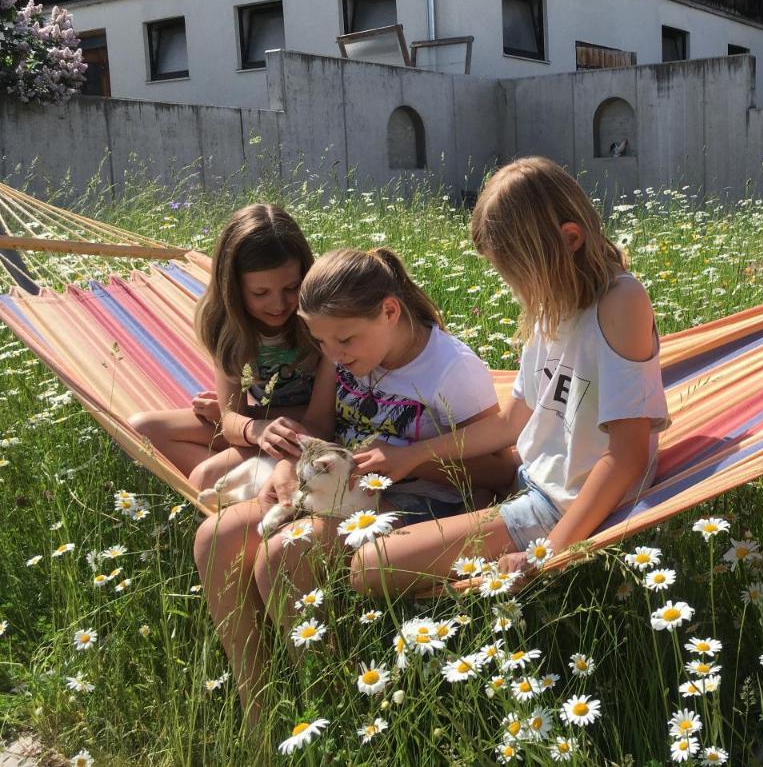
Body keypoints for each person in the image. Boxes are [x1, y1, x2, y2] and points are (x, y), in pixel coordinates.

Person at [193, 246, 507, 727]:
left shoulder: (451, 369)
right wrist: (287, 464)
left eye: (344, 341)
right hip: (343, 491)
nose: (334, 355)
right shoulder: (340, 355)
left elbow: (501, 474)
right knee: (216, 536)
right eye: (321, 343)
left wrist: (411, 461)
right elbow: (319, 424)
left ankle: (332, 716)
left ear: (389, 311)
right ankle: (256, 701)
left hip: (424, 507)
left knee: (283, 555)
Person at [345, 156, 670, 598]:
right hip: (528, 476)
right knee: (358, 533)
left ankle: (487, 566)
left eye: (516, 274)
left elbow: (626, 457)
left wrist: (544, 557)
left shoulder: (621, 301)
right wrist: (413, 456)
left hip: (561, 503)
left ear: (569, 240)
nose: (513, 288)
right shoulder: (556, 301)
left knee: (370, 567)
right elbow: (511, 422)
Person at [129, 204, 318, 485]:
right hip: (263, 428)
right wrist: (253, 426)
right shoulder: (225, 325)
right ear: (233, 288)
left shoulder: (318, 316)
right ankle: (255, 482)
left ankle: (244, 484)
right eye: (260, 292)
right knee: (141, 429)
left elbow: (327, 416)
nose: (278, 304)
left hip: (315, 433)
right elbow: (231, 420)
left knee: (205, 477)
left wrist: (250, 418)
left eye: (291, 288)